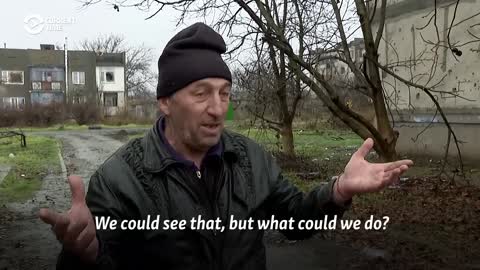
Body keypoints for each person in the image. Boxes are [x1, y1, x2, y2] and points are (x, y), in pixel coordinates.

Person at [39, 22, 413, 270]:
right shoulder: (119, 179)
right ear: (165, 102)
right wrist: (81, 256)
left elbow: (295, 218)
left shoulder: (249, 159)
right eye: (201, 93)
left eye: (225, 93)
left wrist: (337, 191)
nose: (218, 108)